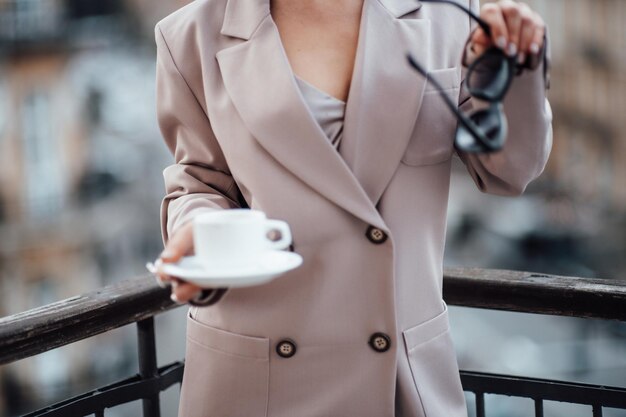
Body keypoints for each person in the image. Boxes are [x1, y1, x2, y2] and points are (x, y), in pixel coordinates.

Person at [153, 0, 552, 415]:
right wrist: (203, 230)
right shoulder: (189, 34)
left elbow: (511, 172)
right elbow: (197, 180)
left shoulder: (452, 14)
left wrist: (518, 65)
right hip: (260, 375)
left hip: (401, 377)